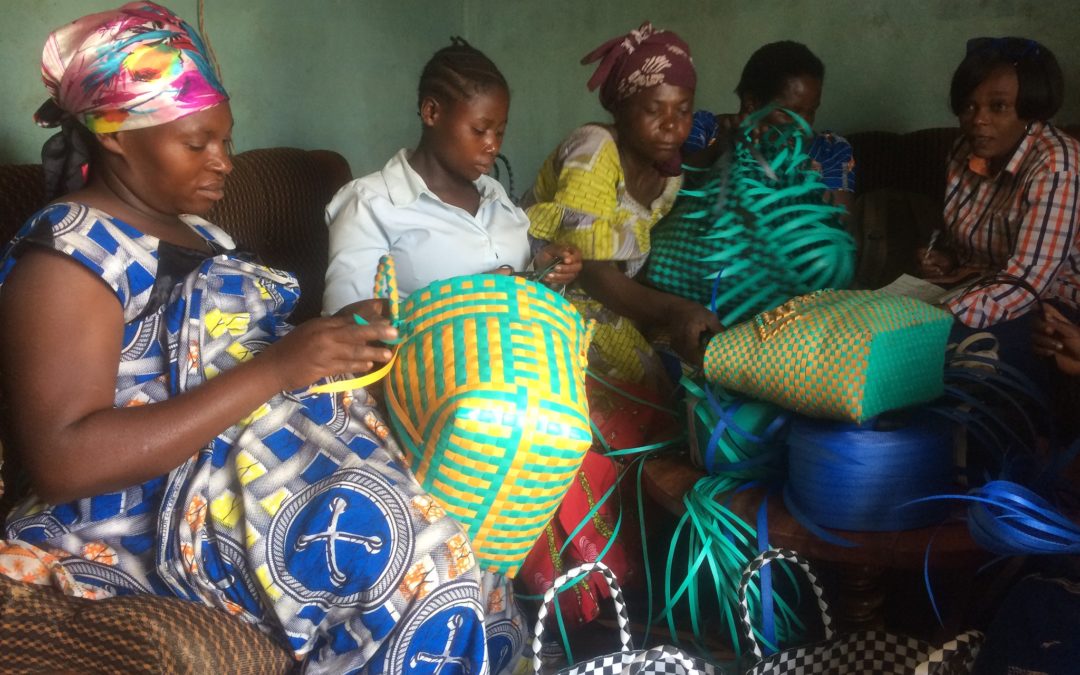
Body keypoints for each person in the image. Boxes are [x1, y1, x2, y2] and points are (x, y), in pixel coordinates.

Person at [0, 4, 521, 673]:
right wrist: (279, 368)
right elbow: (65, 460)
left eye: (226, 140)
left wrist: (333, 339)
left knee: (475, 526)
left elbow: (228, 350)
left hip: (260, 460)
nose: (224, 162)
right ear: (118, 137)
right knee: (416, 556)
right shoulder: (72, 253)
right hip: (147, 506)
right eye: (198, 144)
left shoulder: (200, 232)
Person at [522, 22, 722, 388]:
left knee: (692, 369)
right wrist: (674, 310)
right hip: (549, 288)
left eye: (683, 111)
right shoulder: (595, 148)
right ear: (621, 109)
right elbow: (590, 269)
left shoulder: (669, 178)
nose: (671, 126)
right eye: (654, 110)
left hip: (609, 295)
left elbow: (634, 262)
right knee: (648, 386)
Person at [323, 38, 581, 313]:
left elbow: (516, 293)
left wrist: (540, 271)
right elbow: (346, 324)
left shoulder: (494, 195)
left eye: (500, 132)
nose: (493, 146)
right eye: (479, 130)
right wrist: (463, 300)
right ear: (431, 112)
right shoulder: (370, 203)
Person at [917, 37, 1080, 330]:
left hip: (1050, 305)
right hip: (976, 288)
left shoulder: (1057, 166)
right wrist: (947, 259)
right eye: (968, 106)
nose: (978, 120)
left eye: (999, 106)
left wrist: (929, 319)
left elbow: (1026, 282)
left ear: (1030, 110)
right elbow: (972, 248)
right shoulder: (963, 151)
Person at [682, 40, 855, 215]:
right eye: (790, 113)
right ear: (752, 103)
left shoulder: (829, 151)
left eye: (811, 111)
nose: (804, 126)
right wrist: (717, 151)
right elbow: (672, 194)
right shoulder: (705, 131)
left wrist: (799, 177)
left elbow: (840, 222)